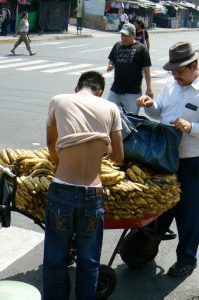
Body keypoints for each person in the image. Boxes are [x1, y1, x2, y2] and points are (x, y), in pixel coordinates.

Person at [43, 70, 124, 300]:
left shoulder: (58, 101)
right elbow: (118, 157)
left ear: (77, 87)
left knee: (55, 258)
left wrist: (60, 161)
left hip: (62, 189)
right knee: (89, 261)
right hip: (93, 194)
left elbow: (51, 142)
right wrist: (101, 147)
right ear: (100, 92)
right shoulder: (110, 108)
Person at [137, 41, 199, 277]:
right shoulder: (171, 86)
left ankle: (187, 258)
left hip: (192, 161)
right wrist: (149, 105)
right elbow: (158, 112)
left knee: (189, 213)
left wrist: (191, 126)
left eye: (180, 70)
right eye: (173, 70)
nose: (175, 75)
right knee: (160, 206)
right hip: (165, 158)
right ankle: (145, 248)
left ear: (194, 65)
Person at [107, 23, 153, 115]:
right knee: (110, 115)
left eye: (126, 36)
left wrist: (149, 89)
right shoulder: (117, 46)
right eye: (122, 35)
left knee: (131, 120)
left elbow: (147, 72)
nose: (123, 38)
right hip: (115, 90)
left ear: (134, 35)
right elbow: (111, 59)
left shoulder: (141, 49)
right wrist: (110, 65)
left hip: (132, 93)